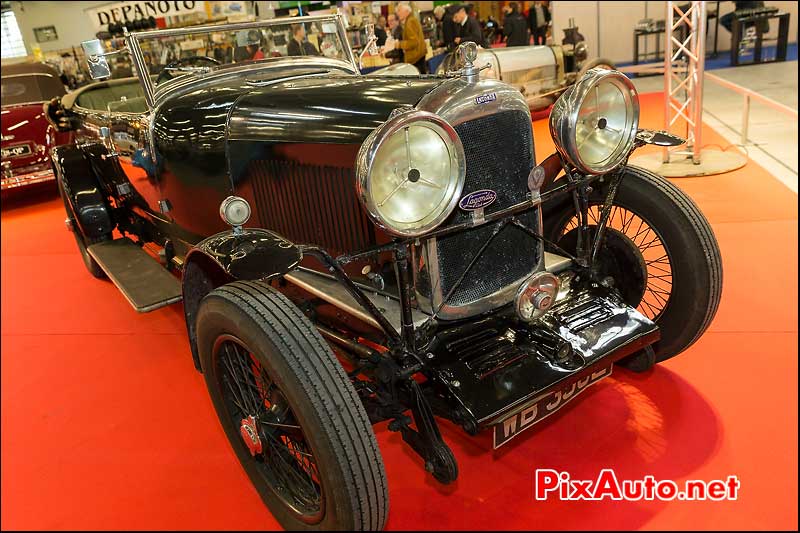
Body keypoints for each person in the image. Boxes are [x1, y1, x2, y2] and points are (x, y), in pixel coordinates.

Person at [394, 3, 428, 73]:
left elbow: (414, 42)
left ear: (406, 11)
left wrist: (399, 44)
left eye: (399, 10)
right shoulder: (411, 20)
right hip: (419, 56)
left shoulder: (410, 22)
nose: (397, 13)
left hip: (416, 58)